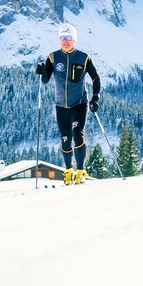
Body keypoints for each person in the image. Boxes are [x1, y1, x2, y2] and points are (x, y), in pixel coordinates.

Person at [36, 23, 100, 185]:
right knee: (65, 139)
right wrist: (42, 72)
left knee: (78, 135)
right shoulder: (53, 57)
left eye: (69, 38)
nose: (66, 41)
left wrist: (95, 98)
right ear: (59, 40)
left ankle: (80, 171)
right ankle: (68, 172)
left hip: (79, 104)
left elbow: (95, 78)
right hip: (61, 106)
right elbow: (45, 80)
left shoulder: (83, 58)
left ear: (74, 40)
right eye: (63, 38)